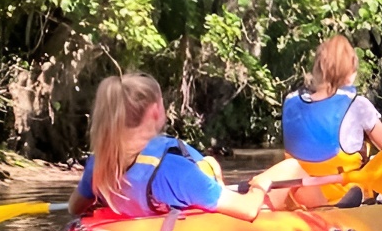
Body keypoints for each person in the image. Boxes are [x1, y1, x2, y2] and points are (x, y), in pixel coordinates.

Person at [67, 74, 267, 220]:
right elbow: (248, 210)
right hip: (191, 207)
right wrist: (259, 186)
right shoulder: (174, 169)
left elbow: (74, 207)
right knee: (285, 172)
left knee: (210, 164)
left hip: (144, 223)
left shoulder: (100, 163)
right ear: (155, 111)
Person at [250, 35, 382, 209]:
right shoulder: (358, 105)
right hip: (344, 198)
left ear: (317, 69)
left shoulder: (290, 102)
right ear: (351, 72)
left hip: (301, 195)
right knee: (376, 164)